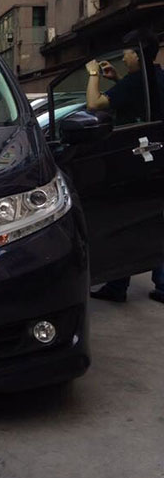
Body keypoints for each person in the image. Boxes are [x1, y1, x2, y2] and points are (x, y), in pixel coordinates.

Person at [85, 29, 164, 304]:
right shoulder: (155, 77)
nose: (123, 57)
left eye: (127, 53)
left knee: (125, 218)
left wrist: (93, 74)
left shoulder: (135, 81)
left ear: (138, 55)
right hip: (156, 157)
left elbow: (94, 104)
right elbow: (142, 100)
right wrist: (117, 80)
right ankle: (157, 284)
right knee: (153, 217)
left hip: (135, 159)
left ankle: (118, 285)